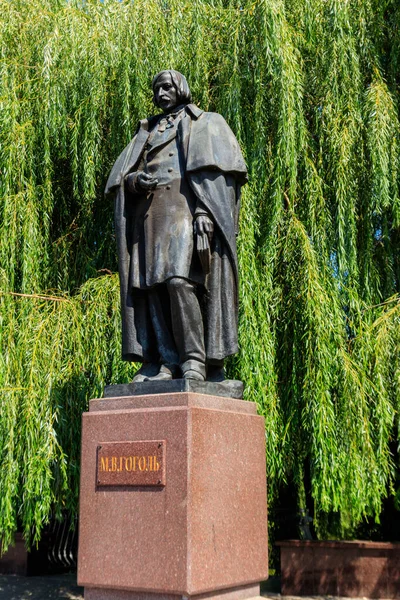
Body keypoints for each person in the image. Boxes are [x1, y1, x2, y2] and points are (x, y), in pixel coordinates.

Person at [105, 70, 247, 382]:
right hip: (150, 217)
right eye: (156, 89)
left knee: (179, 282)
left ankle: (195, 360)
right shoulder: (148, 131)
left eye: (166, 87)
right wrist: (133, 181)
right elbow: (122, 178)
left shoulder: (206, 122)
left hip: (186, 213)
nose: (160, 94)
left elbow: (217, 179)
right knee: (151, 289)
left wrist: (204, 215)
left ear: (181, 87)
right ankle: (167, 362)